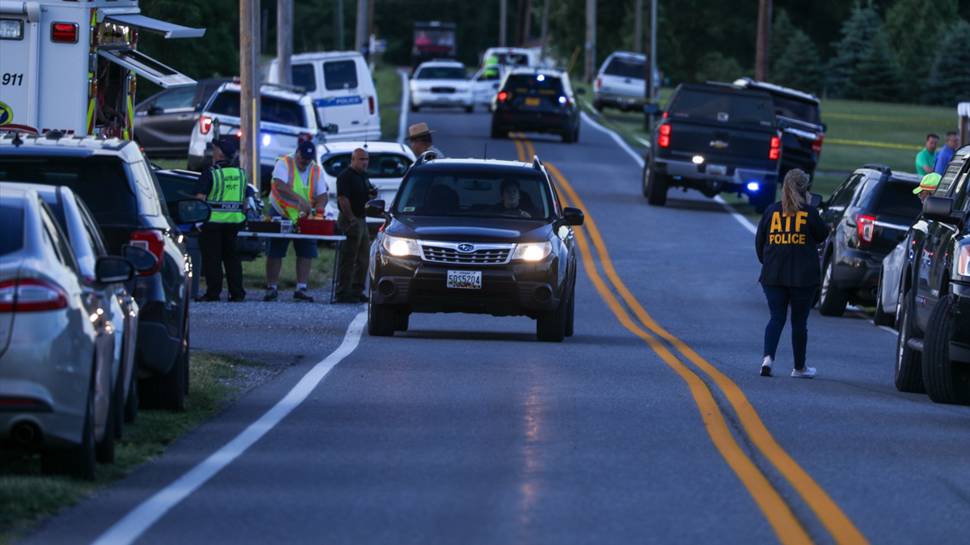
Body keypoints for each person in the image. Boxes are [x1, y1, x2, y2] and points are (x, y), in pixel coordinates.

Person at [755, 169, 829, 379]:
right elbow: (822, 235)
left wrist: (768, 262)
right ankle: (799, 367)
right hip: (802, 276)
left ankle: (767, 359)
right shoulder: (810, 213)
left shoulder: (771, 211)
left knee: (776, 317)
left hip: (773, 274)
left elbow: (760, 243)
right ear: (805, 188)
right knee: (799, 322)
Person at [264, 138, 328, 302]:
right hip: (281, 212)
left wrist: (320, 208)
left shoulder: (315, 170)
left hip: (304, 216)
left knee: (306, 251)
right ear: (297, 153)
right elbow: (279, 185)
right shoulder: (284, 163)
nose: (304, 163)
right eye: (301, 159)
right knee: (275, 251)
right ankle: (271, 287)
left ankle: (301, 287)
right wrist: (299, 200)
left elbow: (322, 194)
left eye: (307, 160)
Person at [194, 135, 247, 302]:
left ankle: (213, 293)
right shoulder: (241, 174)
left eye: (215, 149)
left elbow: (200, 199)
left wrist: (196, 220)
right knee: (232, 259)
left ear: (220, 154)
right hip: (233, 223)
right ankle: (237, 293)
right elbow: (244, 201)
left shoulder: (210, 173)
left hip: (212, 223)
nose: (213, 151)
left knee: (213, 259)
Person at [334, 148, 376, 303]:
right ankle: (343, 292)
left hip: (362, 218)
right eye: (361, 159)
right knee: (348, 256)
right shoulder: (345, 176)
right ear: (353, 159)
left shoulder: (363, 176)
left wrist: (372, 194)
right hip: (350, 219)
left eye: (366, 159)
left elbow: (366, 193)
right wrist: (351, 218)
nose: (365, 162)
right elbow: (343, 199)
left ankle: (357, 290)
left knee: (364, 257)